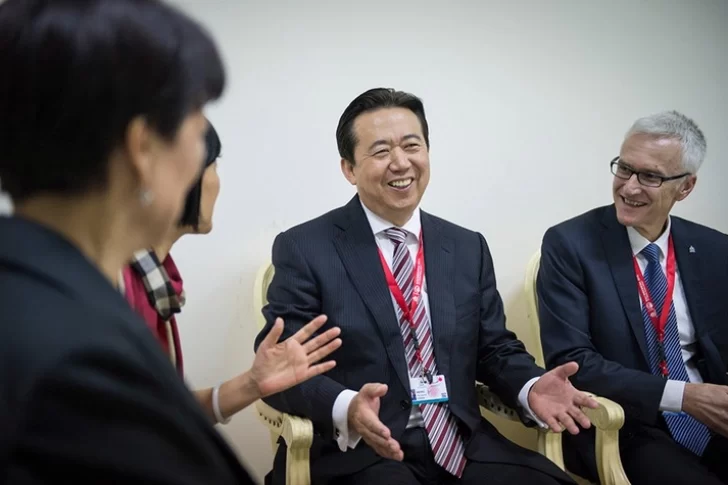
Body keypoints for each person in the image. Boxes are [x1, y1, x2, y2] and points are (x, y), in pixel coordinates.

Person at [0, 0, 331, 482]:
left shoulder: (47, 294)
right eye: (196, 131)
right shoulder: (76, 353)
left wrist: (250, 384)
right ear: (142, 148)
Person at [254, 87, 599, 485]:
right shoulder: (305, 248)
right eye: (381, 151)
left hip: (461, 443)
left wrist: (531, 385)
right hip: (360, 453)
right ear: (349, 169)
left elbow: (494, 349)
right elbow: (280, 369)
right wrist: (346, 406)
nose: (401, 162)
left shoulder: (466, 246)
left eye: (411, 146)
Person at [537, 111, 728, 484]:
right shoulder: (570, 244)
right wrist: (686, 397)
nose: (629, 187)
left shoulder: (714, 248)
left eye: (650, 176)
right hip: (623, 423)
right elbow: (573, 362)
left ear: (685, 187)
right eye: (624, 169)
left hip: (712, 417)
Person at [122, 120, 341, 424]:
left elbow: (162, 410)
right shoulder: (118, 283)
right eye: (213, 165)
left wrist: (253, 383)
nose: (217, 181)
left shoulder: (156, 278)